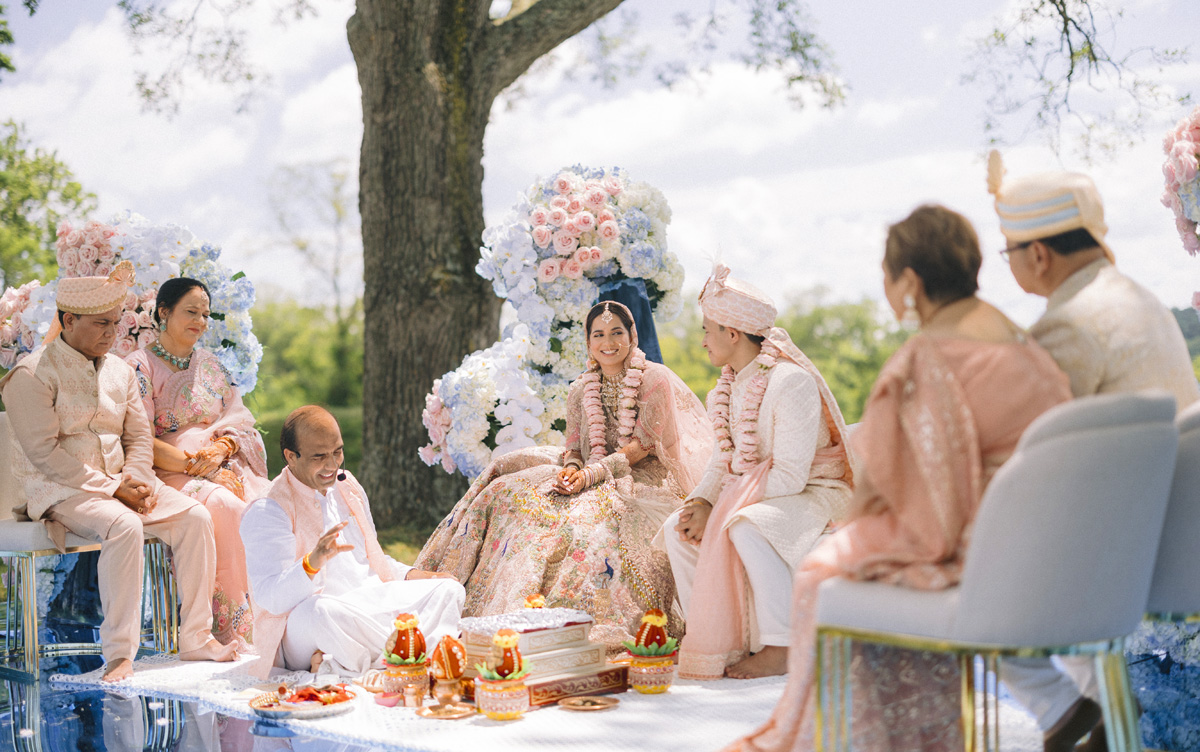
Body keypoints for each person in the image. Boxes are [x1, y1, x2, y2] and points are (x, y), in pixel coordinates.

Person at [728, 205, 1072, 752]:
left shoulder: (923, 361)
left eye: (885, 275)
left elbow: (887, 491)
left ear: (909, 280)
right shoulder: (1026, 346)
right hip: (1045, 546)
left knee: (821, 572)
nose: (886, 288)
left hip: (978, 553)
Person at [989, 150, 1200, 752]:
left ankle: (1072, 708)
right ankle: (1096, 711)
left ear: (1037, 254)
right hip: (1166, 536)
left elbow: (1025, 457)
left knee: (955, 554)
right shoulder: (1140, 300)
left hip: (1112, 558)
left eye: (1007, 252)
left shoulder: (1069, 324)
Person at [415, 300, 714, 649]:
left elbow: (643, 446)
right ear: (588, 342)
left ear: (632, 335)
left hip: (641, 477)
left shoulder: (653, 378)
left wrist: (591, 476)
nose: (609, 342)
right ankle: (466, 593)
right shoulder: (579, 388)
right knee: (508, 490)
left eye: (617, 332)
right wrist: (571, 470)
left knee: (584, 520)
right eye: (598, 334)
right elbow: (572, 446)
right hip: (589, 469)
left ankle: (573, 624)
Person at [0, 263, 238, 682]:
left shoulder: (120, 371)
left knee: (194, 517)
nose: (111, 334)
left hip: (123, 484)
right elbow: (44, 454)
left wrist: (138, 480)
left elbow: (139, 439)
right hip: (59, 490)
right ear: (68, 320)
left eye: (115, 323)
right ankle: (119, 656)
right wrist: (115, 488)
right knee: (125, 525)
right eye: (100, 325)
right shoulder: (31, 375)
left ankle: (196, 637)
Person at [663, 264, 855, 680]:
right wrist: (699, 502)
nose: (702, 341)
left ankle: (781, 645)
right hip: (758, 491)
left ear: (732, 333)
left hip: (815, 494)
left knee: (745, 526)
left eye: (707, 330)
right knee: (673, 528)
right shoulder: (726, 388)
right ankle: (716, 643)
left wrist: (718, 511)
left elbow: (790, 477)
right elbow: (723, 461)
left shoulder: (790, 382)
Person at [240, 405, 465, 678]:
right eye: (319, 456)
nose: (333, 465)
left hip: (367, 606)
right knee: (320, 611)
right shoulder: (268, 510)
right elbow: (271, 599)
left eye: (338, 452)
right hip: (308, 625)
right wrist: (312, 563)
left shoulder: (348, 487)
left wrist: (420, 576)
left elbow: (373, 562)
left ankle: (377, 660)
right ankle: (411, 655)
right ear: (291, 456)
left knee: (448, 590)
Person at [125, 277, 271, 646]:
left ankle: (278, 619)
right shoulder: (138, 367)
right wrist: (198, 468)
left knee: (269, 505)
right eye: (191, 312)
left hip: (222, 464)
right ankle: (233, 629)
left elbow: (239, 420)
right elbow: (139, 437)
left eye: (205, 314)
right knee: (223, 505)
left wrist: (222, 452)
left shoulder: (211, 365)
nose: (201, 321)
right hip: (166, 472)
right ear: (163, 313)